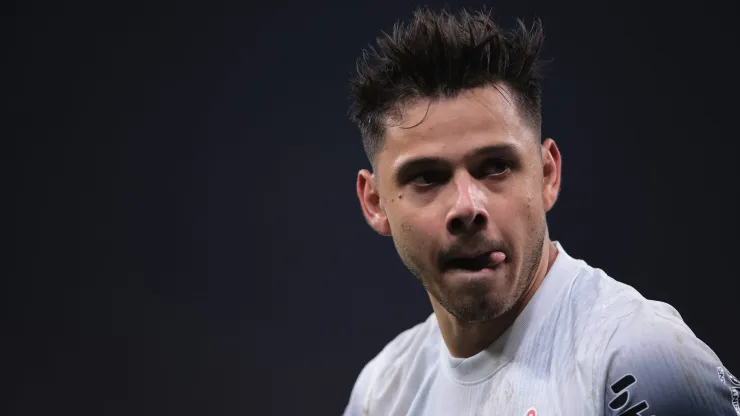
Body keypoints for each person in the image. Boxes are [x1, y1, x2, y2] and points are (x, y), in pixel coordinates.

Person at [343, 7, 738, 416]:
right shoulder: (381, 393)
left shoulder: (636, 362)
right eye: (426, 177)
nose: (466, 207)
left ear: (547, 174)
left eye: (496, 167)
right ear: (375, 203)